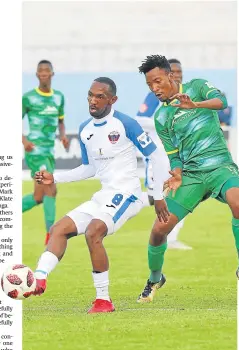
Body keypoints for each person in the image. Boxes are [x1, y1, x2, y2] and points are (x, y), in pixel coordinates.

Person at [32, 77, 168, 314]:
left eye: (99, 96)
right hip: (103, 195)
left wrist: (157, 195)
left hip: (127, 194)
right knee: (58, 229)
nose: (92, 101)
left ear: (112, 99)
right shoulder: (85, 129)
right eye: (90, 96)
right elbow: (89, 168)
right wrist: (55, 177)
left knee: (94, 231)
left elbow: (156, 156)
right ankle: (39, 278)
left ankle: (103, 300)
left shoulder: (127, 124)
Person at [137, 54, 239, 302]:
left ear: (171, 75)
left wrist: (196, 105)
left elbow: (221, 101)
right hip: (191, 176)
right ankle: (155, 278)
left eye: (158, 81)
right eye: (150, 85)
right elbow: (174, 155)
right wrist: (177, 173)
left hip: (220, 167)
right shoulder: (161, 117)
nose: (155, 88)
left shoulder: (198, 87)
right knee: (159, 230)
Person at [136, 59, 191, 250]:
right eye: (173, 71)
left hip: (179, 155)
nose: (177, 75)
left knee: (181, 193)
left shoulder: (185, 96)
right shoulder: (155, 96)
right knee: (155, 197)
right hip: (159, 153)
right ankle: (118, 203)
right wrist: (164, 124)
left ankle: (172, 238)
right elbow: (140, 119)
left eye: (179, 71)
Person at [22, 60, 69, 245]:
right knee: (50, 186)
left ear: (52, 74)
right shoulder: (28, 98)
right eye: (40, 71)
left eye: (46, 71)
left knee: (39, 196)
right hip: (35, 152)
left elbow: (61, 121)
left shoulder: (59, 97)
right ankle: (51, 236)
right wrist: (24, 141)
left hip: (49, 152)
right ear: (36, 74)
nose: (43, 73)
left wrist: (63, 136)